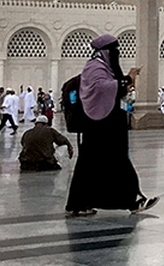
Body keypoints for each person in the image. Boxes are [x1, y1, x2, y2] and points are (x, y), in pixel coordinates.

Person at [65, 34, 158, 216]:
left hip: (104, 125)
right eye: (114, 51)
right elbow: (101, 87)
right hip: (99, 125)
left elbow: (112, 88)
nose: (116, 54)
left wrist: (126, 81)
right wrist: (126, 80)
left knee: (95, 165)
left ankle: (80, 204)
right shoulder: (95, 67)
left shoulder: (102, 67)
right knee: (115, 163)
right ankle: (132, 202)